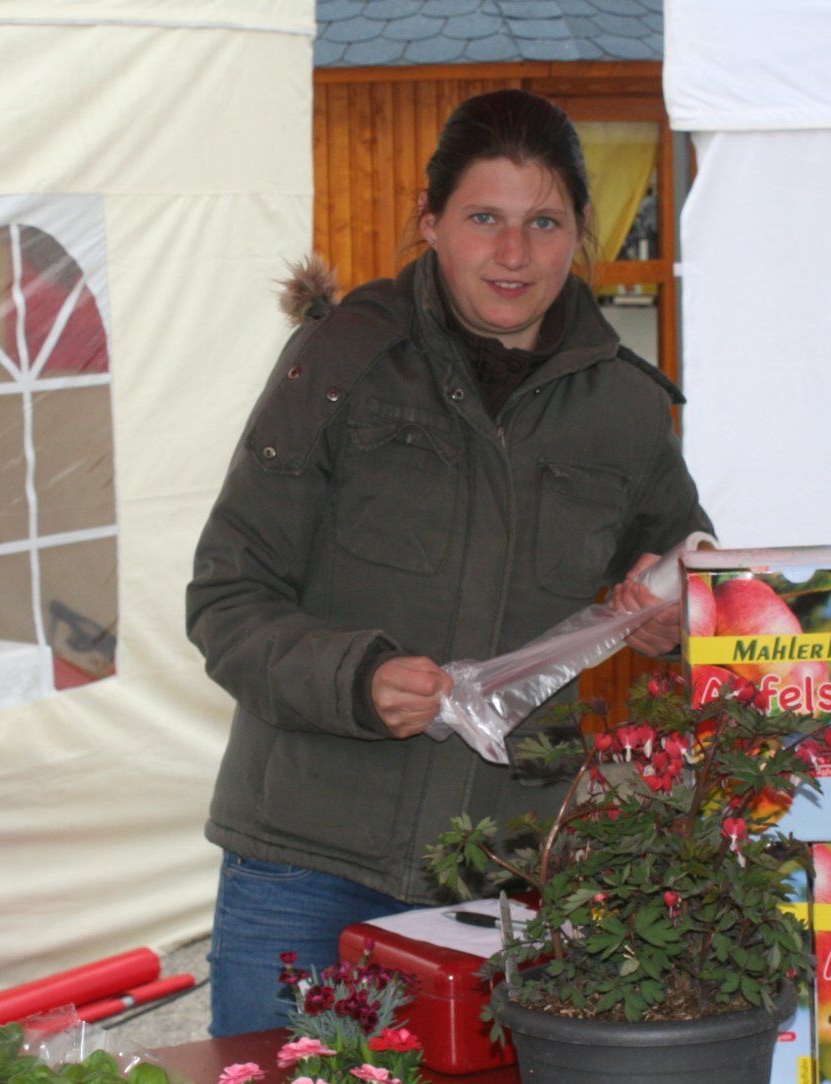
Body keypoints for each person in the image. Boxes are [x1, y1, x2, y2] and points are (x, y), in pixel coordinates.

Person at [186, 89, 713, 1036]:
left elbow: (698, 566)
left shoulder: (625, 407)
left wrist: (679, 621)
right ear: (430, 222)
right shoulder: (341, 362)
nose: (513, 254)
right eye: (483, 219)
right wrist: (356, 679)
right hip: (305, 862)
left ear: (579, 233)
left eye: (543, 223)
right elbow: (227, 598)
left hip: (506, 875)